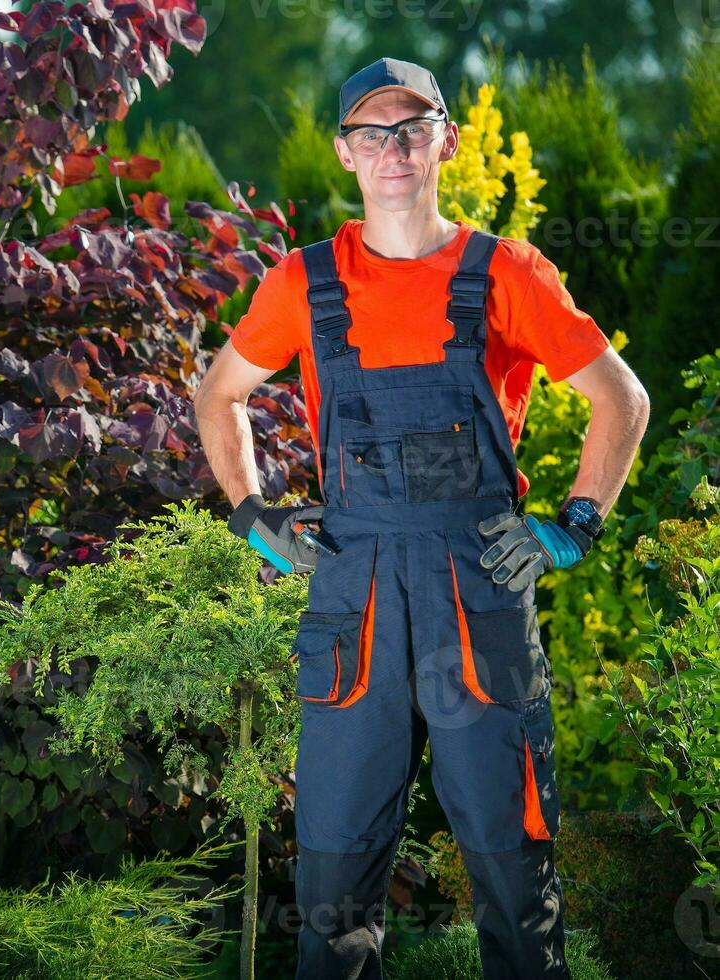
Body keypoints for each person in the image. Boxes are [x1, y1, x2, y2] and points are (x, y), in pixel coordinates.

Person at [193, 57, 650, 979]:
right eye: (371, 132)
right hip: (353, 595)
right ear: (344, 153)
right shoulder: (304, 282)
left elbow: (622, 399)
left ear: (446, 139)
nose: (392, 149)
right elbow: (220, 395)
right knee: (332, 883)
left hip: (478, 595)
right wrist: (251, 515)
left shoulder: (506, 272)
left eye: (410, 129)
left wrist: (575, 523)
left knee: (512, 869)